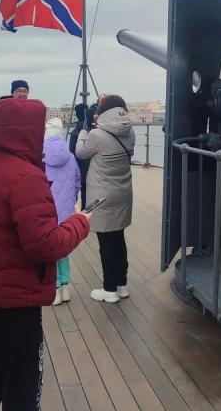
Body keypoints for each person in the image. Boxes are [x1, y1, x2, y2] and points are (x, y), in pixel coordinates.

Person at [0, 98, 91, 410]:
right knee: (21, 387)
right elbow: (45, 244)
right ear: (25, 131)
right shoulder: (26, 177)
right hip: (13, 304)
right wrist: (80, 223)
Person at [75, 94, 135, 303]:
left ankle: (109, 290)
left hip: (102, 195)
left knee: (106, 242)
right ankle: (122, 285)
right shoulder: (131, 131)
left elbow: (80, 153)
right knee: (118, 238)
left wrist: (84, 129)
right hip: (124, 191)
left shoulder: (97, 135)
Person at [43, 117, 82, 304]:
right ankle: (66, 287)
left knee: (50, 250)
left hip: (47, 209)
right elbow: (77, 182)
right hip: (66, 209)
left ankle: (55, 289)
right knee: (63, 248)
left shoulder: (39, 155)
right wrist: (72, 199)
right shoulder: (71, 156)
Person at [0, 80, 30, 157]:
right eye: (19, 91)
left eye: (25, 91)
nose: (23, 94)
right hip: (1, 148)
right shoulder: (2, 108)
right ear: (12, 92)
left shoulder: (28, 109)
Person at [69, 103, 90, 208]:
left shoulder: (75, 133)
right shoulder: (93, 130)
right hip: (94, 170)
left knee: (82, 195)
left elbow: (71, 152)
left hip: (80, 170)